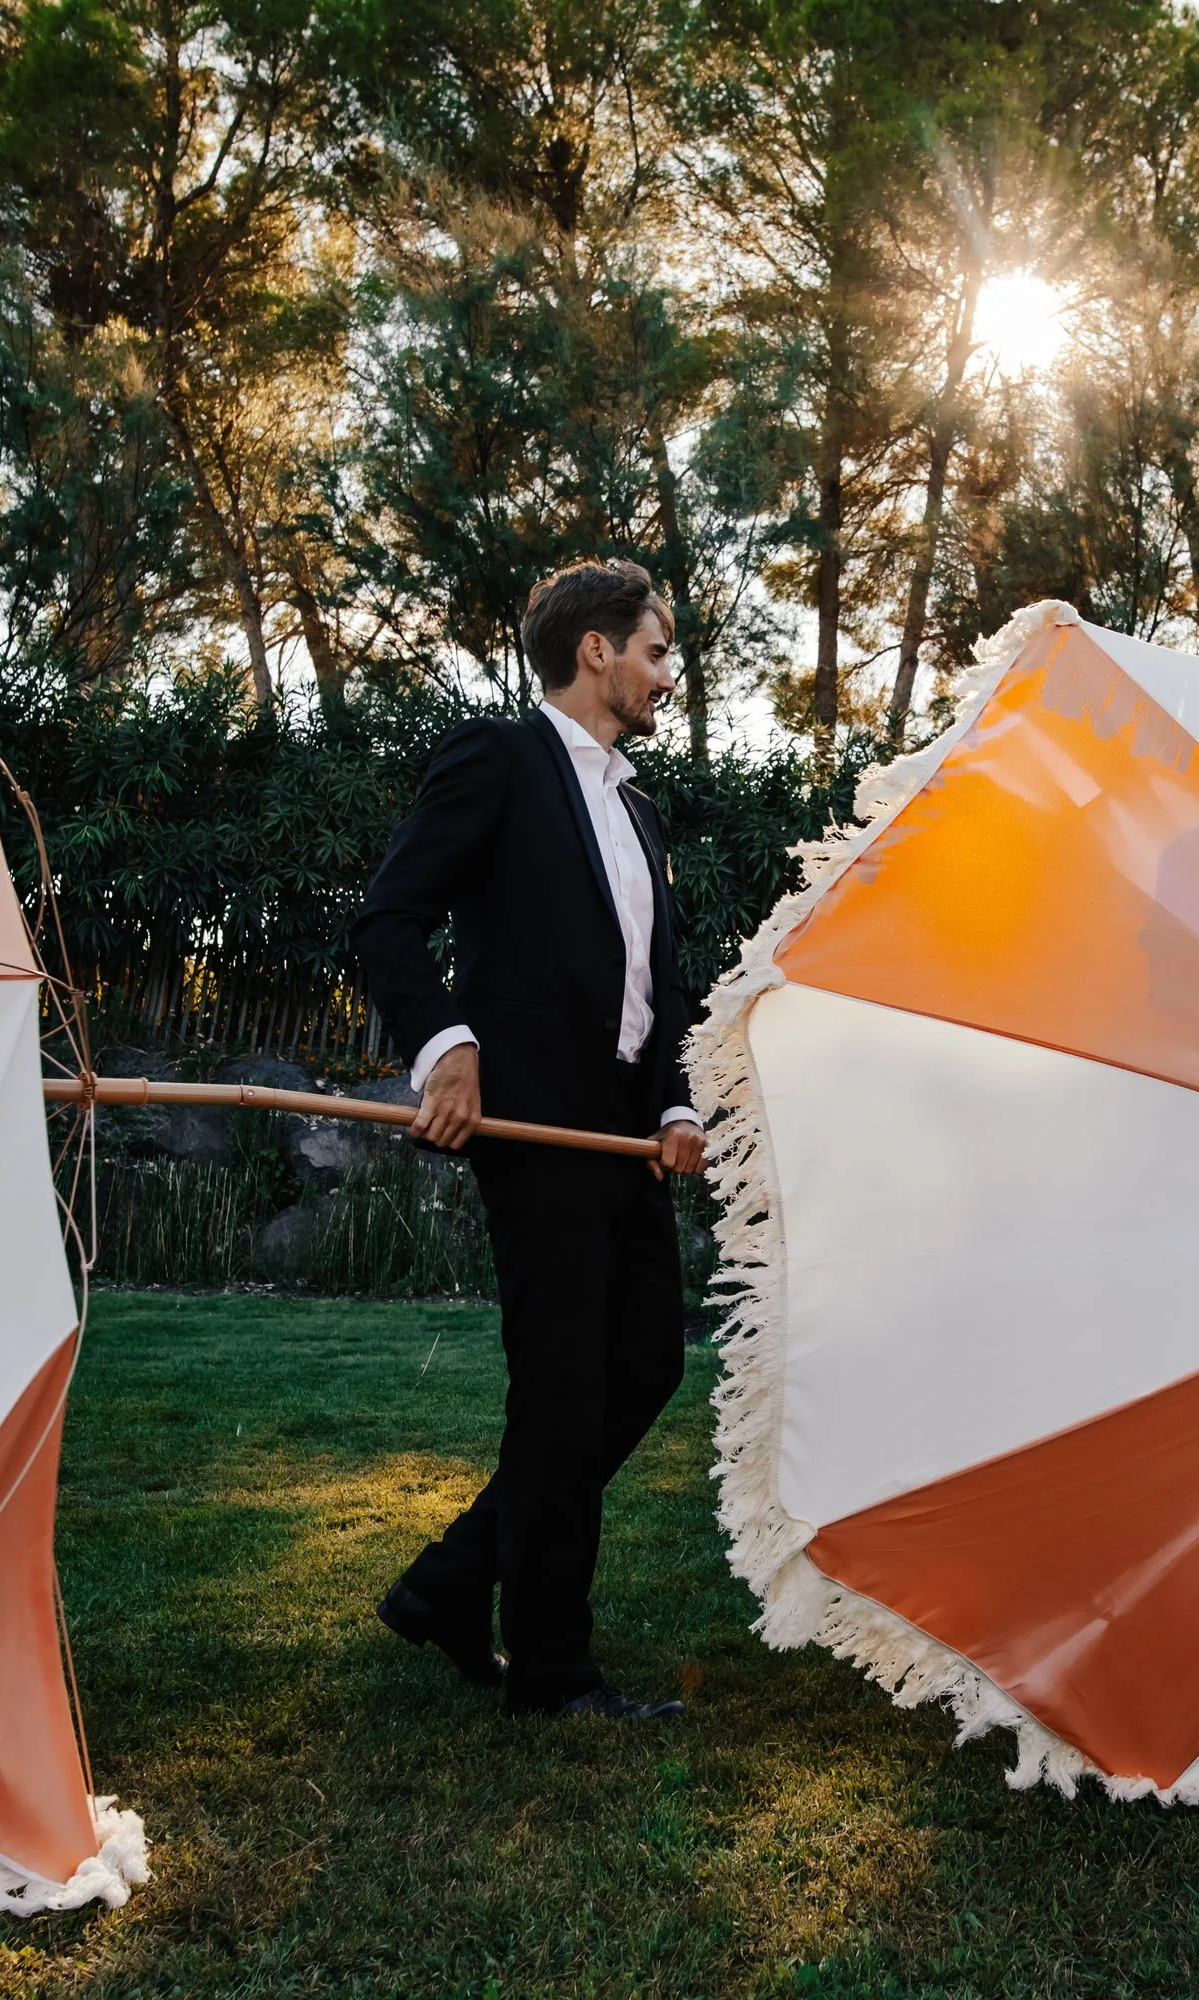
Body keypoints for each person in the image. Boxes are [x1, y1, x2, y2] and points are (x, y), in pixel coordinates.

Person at [351, 558, 707, 1722]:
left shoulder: (643, 808)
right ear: (595, 649)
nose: (668, 671)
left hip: (622, 1134)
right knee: (561, 1390)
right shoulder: (497, 757)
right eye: (654, 648)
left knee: (647, 1357)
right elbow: (387, 915)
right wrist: (444, 1040)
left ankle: (453, 1581)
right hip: (532, 1122)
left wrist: (671, 1105)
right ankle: (552, 1672)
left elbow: (657, 985)